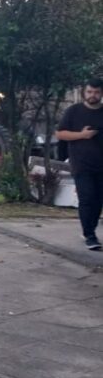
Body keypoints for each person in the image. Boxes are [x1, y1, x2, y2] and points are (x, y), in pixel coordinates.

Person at [55, 79, 103, 251]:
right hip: (81, 164)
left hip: (101, 165)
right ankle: (89, 235)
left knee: (98, 200)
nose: (93, 95)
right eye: (90, 92)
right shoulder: (74, 111)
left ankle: (89, 229)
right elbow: (60, 134)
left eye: (96, 92)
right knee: (87, 198)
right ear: (84, 92)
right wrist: (82, 135)